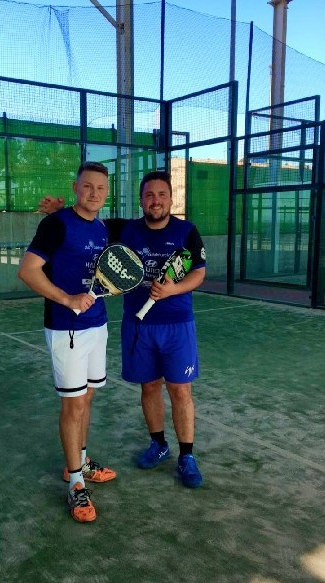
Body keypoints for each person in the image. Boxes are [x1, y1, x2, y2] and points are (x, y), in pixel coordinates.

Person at [18, 161, 116, 523]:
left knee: (87, 398)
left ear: (107, 193)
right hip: (67, 329)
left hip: (98, 326)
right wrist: (67, 299)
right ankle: (75, 482)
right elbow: (27, 271)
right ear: (75, 188)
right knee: (73, 406)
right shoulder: (55, 224)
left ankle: (81, 461)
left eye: (100, 188)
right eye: (87, 186)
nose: (94, 193)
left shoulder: (102, 228)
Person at [106, 170, 206, 488]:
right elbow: (87, 224)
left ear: (171, 199)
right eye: (149, 195)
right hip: (139, 326)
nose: (156, 200)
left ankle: (186, 456)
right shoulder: (125, 229)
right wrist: (59, 212)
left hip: (177, 326)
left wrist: (172, 289)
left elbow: (198, 273)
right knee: (149, 387)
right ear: (141, 200)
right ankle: (159, 444)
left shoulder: (187, 231)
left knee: (180, 390)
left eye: (162, 194)